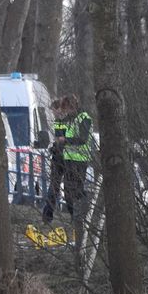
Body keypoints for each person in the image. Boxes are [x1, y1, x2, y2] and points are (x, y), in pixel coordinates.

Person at [58, 95, 94, 243]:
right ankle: (76, 219)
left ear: (72, 106)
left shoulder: (83, 118)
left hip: (79, 160)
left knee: (77, 191)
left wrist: (65, 140)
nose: (65, 112)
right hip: (69, 159)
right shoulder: (72, 119)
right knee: (68, 192)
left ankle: (83, 218)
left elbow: (83, 139)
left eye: (66, 108)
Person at [41, 96, 68, 222]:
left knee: (55, 185)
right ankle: (48, 212)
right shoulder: (62, 121)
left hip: (61, 157)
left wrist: (55, 148)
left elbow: (61, 140)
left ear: (59, 109)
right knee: (55, 185)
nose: (53, 113)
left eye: (53, 110)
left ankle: (48, 213)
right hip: (61, 156)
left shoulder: (62, 121)